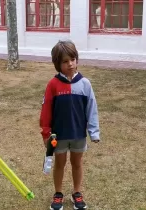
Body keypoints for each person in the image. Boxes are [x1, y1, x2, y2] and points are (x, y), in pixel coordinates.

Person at [40, 40, 100, 210]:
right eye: (65, 61)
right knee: (59, 164)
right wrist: (46, 133)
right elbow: (46, 110)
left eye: (72, 59)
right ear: (57, 64)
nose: (70, 64)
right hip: (58, 135)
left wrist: (94, 132)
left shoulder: (85, 84)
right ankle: (58, 193)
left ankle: (77, 193)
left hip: (78, 134)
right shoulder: (53, 85)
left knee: (77, 163)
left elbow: (92, 109)